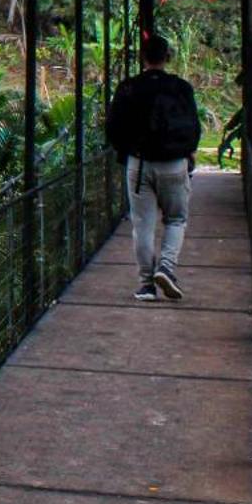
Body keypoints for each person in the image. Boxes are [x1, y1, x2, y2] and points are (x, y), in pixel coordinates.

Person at [104, 33, 202, 302]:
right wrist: (187, 153)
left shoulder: (128, 88)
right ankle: (167, 269)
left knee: (142, 225)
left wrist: (126, 153)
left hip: (139, 163)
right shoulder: (181, 88)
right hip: (174, 164)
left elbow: (113, 126)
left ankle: (146, 285)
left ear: (142, 58)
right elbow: (194, 126)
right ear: (167, 56)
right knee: (176, 219)